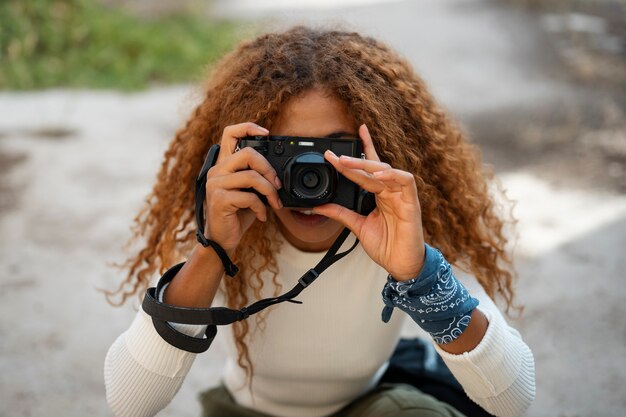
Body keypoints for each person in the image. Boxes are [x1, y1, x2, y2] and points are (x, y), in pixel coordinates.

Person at [104, 26, 535, 417]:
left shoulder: (402, 231)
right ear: (242, 154)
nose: (310, 176)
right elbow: (128, 402)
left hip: (371, 406)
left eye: (336, 152)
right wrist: (214, 249)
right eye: (285, 152)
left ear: (381, 153)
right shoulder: (230, 226)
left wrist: (420, 275)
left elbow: (515, 400)